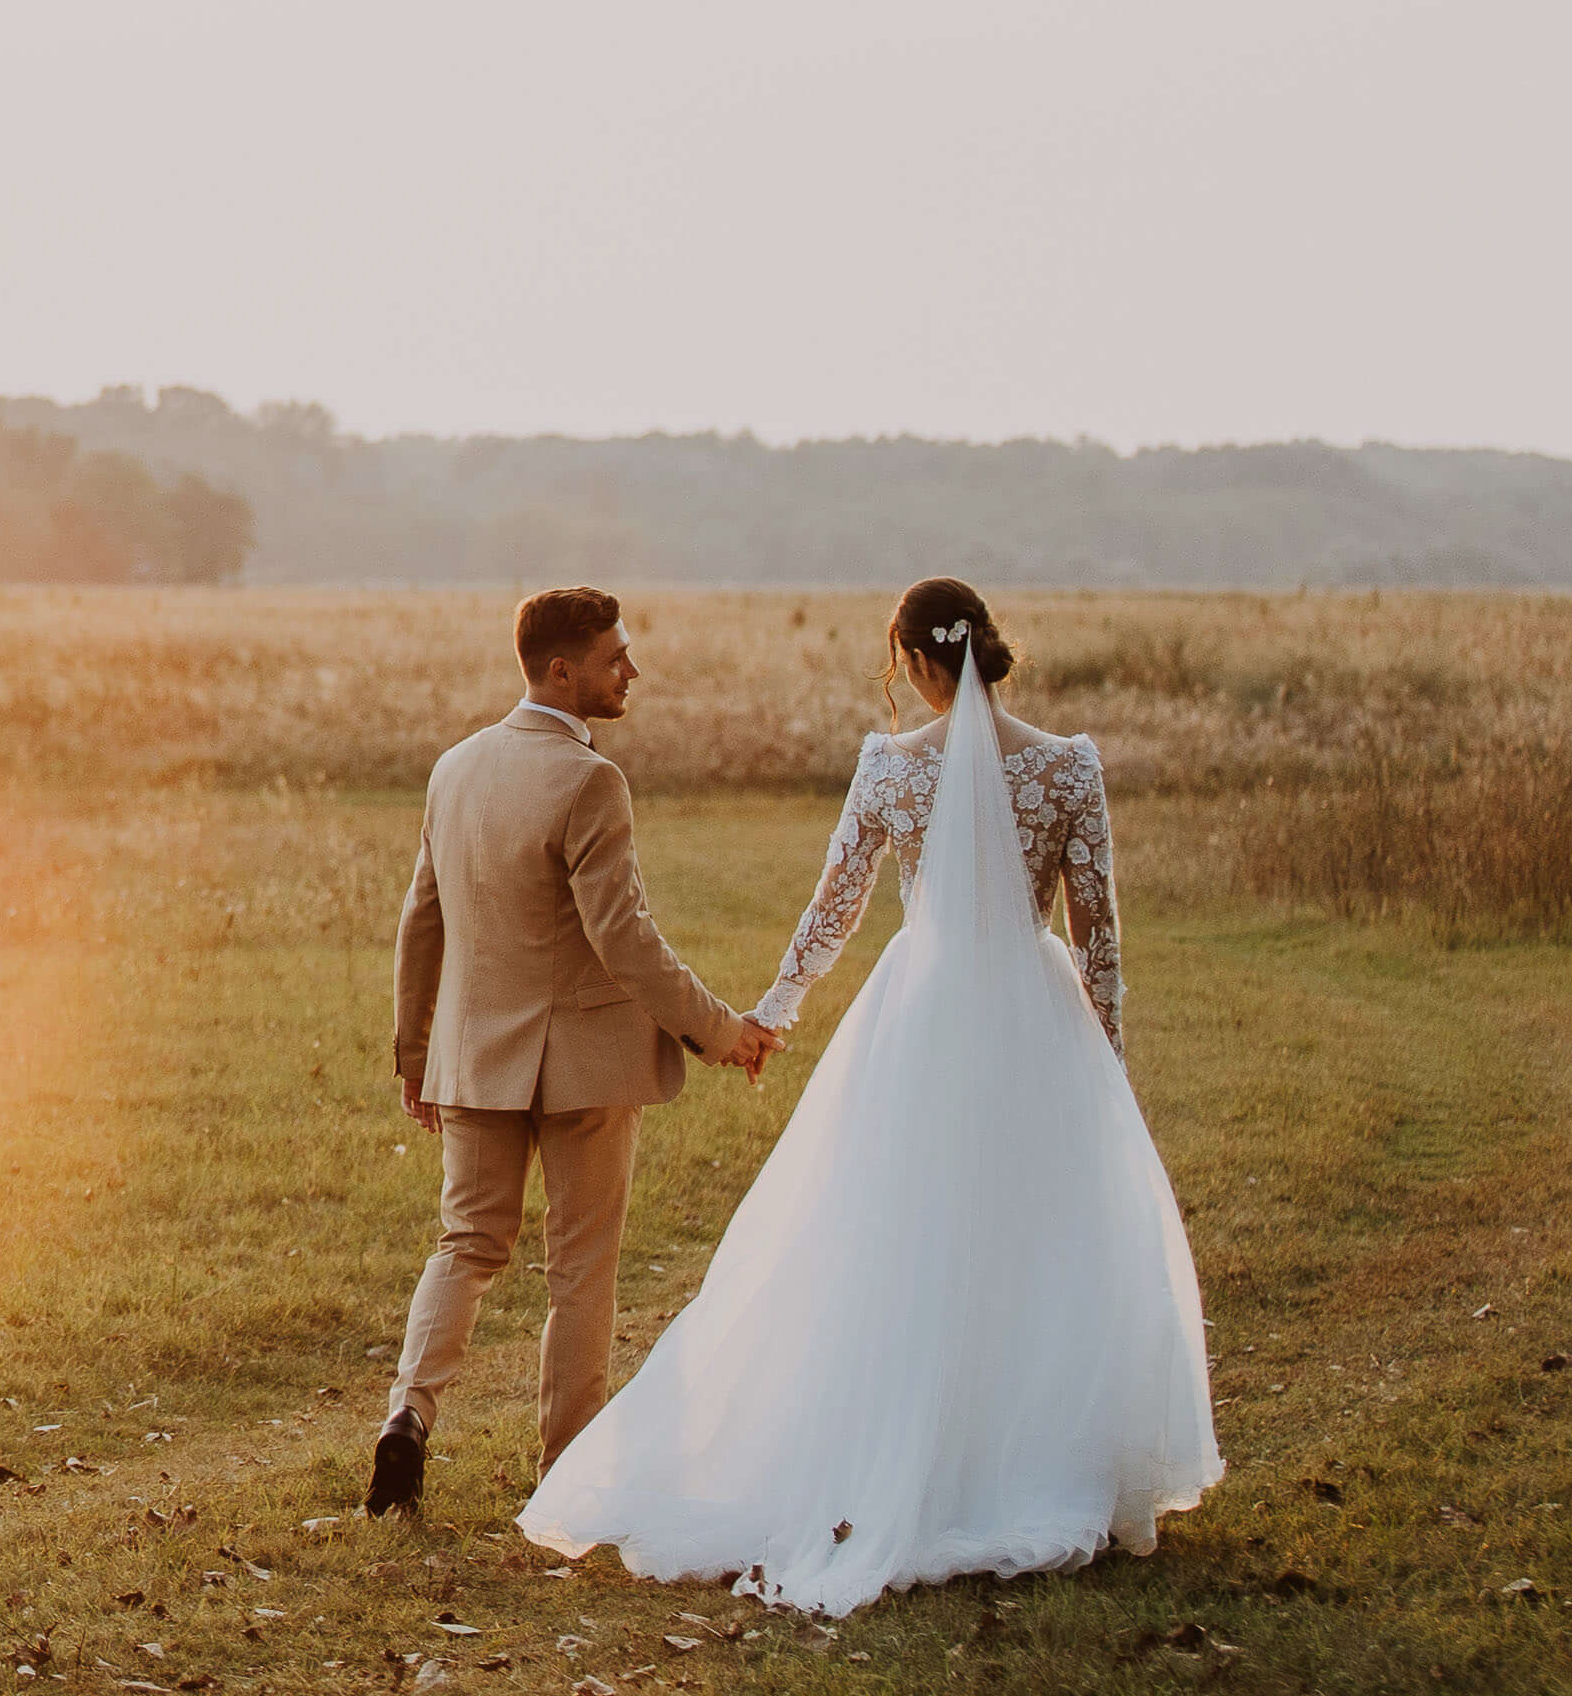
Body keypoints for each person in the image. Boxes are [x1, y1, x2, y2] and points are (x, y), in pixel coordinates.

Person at [514, 578, 1222, 1613]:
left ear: (917, 664)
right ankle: (1028, 1457)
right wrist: (1102, 1062)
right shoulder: (1068, 767)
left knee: (899, 1233)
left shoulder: (892, 768)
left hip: (921, 1012)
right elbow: (1097, 935)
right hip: (1035, 1017)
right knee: (1038, 1237)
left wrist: (771, 1011)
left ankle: (910, 1454)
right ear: (985, 649)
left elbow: (834, 908)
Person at [371, 587, 777, 1520]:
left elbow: (420, 918)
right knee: (581, 1268)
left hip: (474, 1056)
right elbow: (624, 938)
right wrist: (722, 1031)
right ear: (563, 670)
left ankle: (408, 1413)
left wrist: (414, 1051)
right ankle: (566, 1478)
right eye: (614, 657)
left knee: (467, 1243)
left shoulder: (455, 766)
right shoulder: (591, 780)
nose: (631, 670)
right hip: (584, 1067)